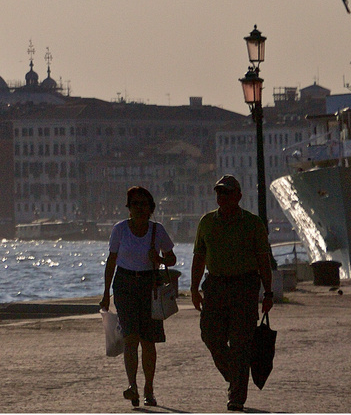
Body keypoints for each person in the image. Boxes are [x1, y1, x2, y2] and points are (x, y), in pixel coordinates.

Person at [191, 174, 274, 412]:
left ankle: (236, 395)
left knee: (240, 342)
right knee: (210, 336)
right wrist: (194, 288)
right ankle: (236, 376)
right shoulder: (206, 222)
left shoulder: (252, 223)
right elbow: (199, 258)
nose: (222, 196)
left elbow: (262, 261)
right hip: (215, 286)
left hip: (245, 287)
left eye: (227, 192)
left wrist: (267, 293)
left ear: (238, 196)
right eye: (219, 192)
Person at [100, 185, 177, 409]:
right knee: (130, 338)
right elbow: (111, 260)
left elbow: (171, 258)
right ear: (129, 208)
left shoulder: (157, 231)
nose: (139, 208)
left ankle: (149, 388)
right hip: (124, 285)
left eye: (144, 204)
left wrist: (160, 260)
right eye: (135, 204)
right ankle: (132, 385)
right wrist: (106, 293)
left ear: (151, 208)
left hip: (149, 285)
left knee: (148, 341)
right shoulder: (120, 230)